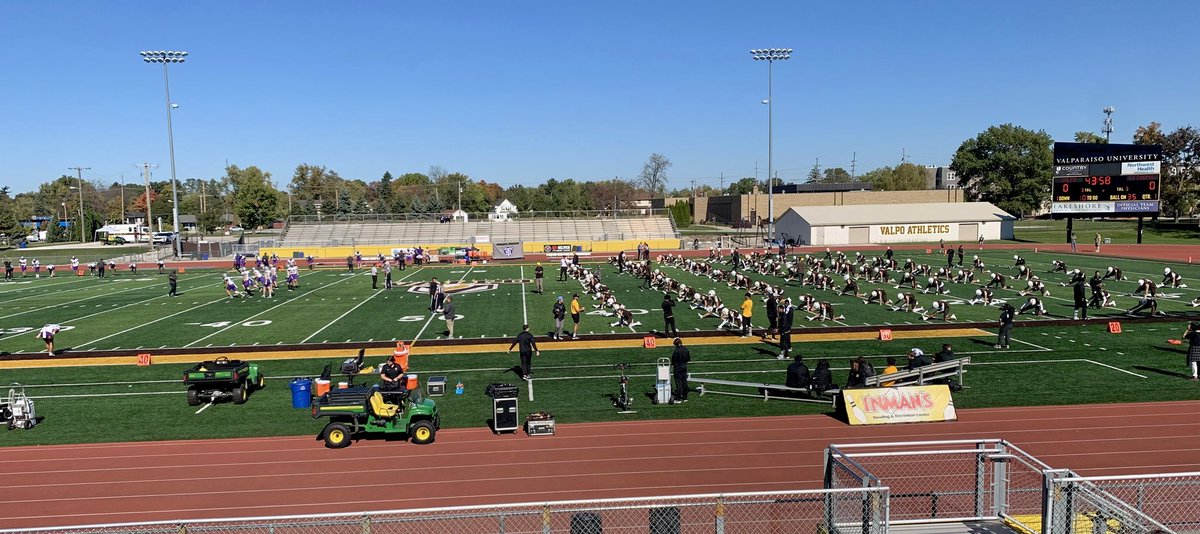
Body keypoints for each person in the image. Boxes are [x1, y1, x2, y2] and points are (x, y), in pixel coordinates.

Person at [670, 337, 690, 403]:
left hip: (677, 368)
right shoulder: (686, 349)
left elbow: (673, 360)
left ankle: (678, 398)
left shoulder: (676, 351)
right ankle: (685, 397)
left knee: (678, 383)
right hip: (684, 367)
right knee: (684, 382)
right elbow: (688, 359)